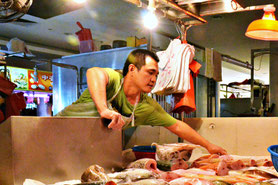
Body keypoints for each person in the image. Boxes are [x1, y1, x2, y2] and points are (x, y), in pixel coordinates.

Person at [58, 49, 226, 155]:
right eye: (150, 73)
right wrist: (104, 109)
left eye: (156, 75)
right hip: (55, 134)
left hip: (87, 149)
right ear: (132, 69)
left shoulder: (147, 106)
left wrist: (209, 146)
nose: (153, 80)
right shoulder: (115, 81)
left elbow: (177, 126)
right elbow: (94, 72)